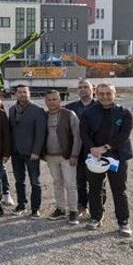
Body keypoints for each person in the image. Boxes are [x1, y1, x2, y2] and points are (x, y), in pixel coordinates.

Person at [79, 83, 133, 237]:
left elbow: (124, 134)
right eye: (101, 93)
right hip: (95, 157)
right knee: (95, 189)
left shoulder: (124, 113)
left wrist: (106, 147)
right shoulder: (88, 113)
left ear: (114, 93)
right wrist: (92, 148)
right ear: (96, 94)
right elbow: (83, 133)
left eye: (108, 93)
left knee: (119, 190)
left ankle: (123, 221)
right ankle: (96, 216)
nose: (105, 96)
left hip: (117, 158)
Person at [42, 90, 82, 225]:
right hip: (50, 157)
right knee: (57, 183)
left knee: (70, 184)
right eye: (49, 100)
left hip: (67, 157)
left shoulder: (69, 114)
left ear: (60, 100)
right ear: (45, 102)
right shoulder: (44, 116)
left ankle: (73, 211)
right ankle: (60, 209)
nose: (52, 102)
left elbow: (77, 136)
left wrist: (74, 155)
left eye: (55, 99)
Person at [9, 85, 47, 218]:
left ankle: (35, 208)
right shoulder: (12, 109)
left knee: (34, 181)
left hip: (32, 152)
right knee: (19, 181)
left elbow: (40, 133)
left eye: (25, 92)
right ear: (16, 94)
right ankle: (21, 205)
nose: (22, 94)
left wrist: (36, 151)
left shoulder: (38, 110)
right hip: (16, 152)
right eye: (19, 92)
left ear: (29, 93)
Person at [65, 79, 98, 216]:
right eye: (80, 87)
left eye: (86, 86)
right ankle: (82, 206)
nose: (83, 89)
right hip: (77, 150)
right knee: (80, 181)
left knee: (96, 182)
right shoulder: (69, 108)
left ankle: (97, 210)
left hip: (95, 150)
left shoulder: (100, 106)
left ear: (93, 89)